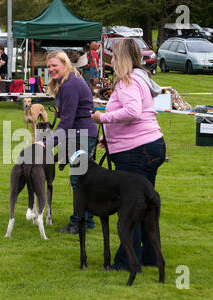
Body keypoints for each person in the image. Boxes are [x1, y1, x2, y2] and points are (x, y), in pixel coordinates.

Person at [91, 38, 166, 272]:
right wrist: (109, 136)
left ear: (121, 58)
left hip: (136, 152)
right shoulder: (142, 78)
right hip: (151, 146)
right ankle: (151, 256)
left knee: (130, 206)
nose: (110, 60)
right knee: (146, 204)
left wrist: (103, 119)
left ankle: (126, 262)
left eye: (113, 56)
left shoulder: (128, 81)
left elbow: (132, 112)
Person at [42, 50, 98, 234]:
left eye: (54, 65)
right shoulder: (66, 82)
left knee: (78, 179)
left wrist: (47, 144)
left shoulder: (70, 84)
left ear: (65, 64)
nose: (51, 69)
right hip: (78, 133)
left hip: (82, 134)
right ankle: (86, 219)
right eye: (48, 66)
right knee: (83, 179)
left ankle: (78, 222)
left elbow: (67, 121)